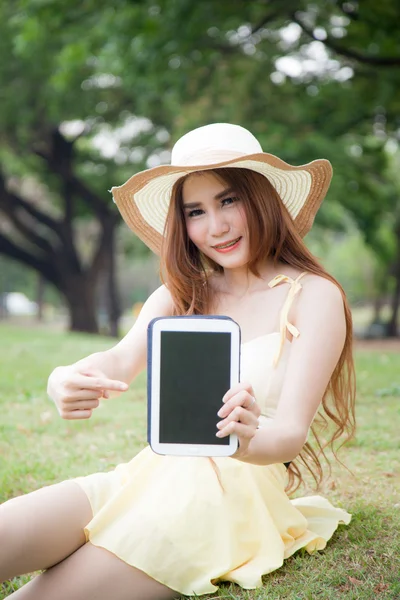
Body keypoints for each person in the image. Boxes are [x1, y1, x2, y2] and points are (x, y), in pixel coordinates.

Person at [0, 123, 356, 599]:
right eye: (196, 211)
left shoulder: (314, 296)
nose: (216, 227)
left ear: (263, 198)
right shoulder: (182, 295)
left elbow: (290, 433)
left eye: (229, 201)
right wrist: (61, 379)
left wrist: (244, 436)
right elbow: (118, 360)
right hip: (145, 477)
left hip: (227, 499)